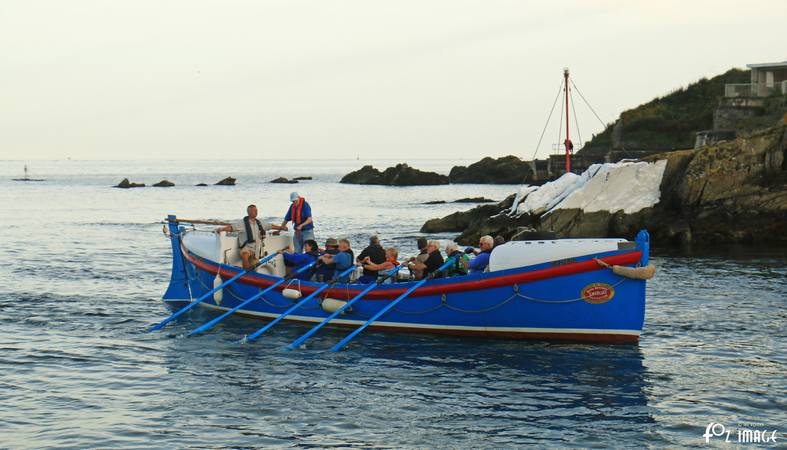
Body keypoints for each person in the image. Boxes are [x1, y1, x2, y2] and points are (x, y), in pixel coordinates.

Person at [214, 204, 285, 270]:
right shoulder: (242, 223)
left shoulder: (259, 223)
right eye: (254, 210)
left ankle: (252, 276)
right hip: (246, 248)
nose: (256, 212)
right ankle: (246, 274)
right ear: (249, 212)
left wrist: (281, 227)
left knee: (255, 268)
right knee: (245, 255)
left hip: (256, 251)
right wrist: (221, 229)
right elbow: (232, 228)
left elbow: (270, 226)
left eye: (257, 210)